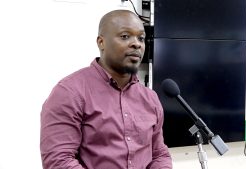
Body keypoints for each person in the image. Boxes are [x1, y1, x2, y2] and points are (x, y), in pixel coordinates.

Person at [40, 9, 172, 169]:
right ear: (101, 42)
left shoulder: (150, 98)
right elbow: (58, 160)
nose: (137, 43)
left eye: (141, 38)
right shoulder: (69, 92)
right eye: (125, 36)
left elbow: (159, 154)